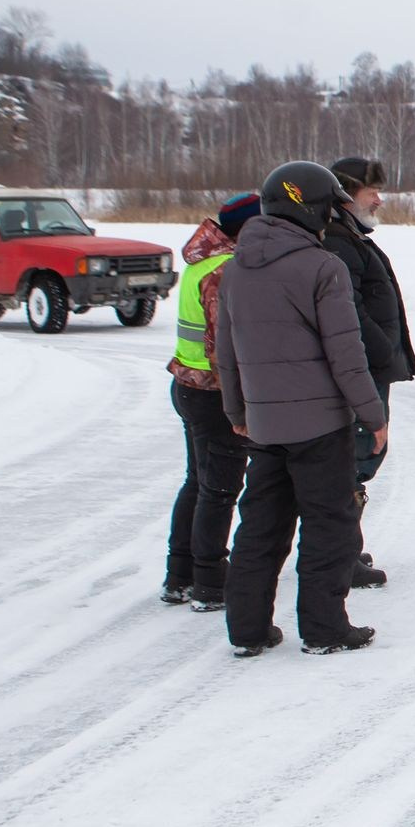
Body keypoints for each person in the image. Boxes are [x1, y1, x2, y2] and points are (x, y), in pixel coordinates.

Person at [217, 161, 388, 656]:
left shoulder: (235, 268)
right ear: (310, 209)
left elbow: (225, 353)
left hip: (265, 428)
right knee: (329, 526)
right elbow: (347, 356)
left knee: (260, 528)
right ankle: (324, 629)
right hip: (320, 428)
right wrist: (373, 417)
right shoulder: (322, 267)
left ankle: (247, 631)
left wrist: (236, 412)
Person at [162, 190, 261, 609]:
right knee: (220, 489)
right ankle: (208, 582)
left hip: (187, 384)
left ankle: (178, 575)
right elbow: (225, 349)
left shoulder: (202, 260)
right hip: (213, 393)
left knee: (199, 482)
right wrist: (241, 402)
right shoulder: (225, 270)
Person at [323, 156, 415, 588]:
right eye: (371, 192)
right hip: (360, 369)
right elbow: (351, 314)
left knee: (359, 459)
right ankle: (338, 556)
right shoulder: (339, 242)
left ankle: (342, 548)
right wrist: (384, 351)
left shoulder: (350, 236)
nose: (379, 200)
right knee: (354, 459)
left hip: (368, 366)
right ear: (345, 194)